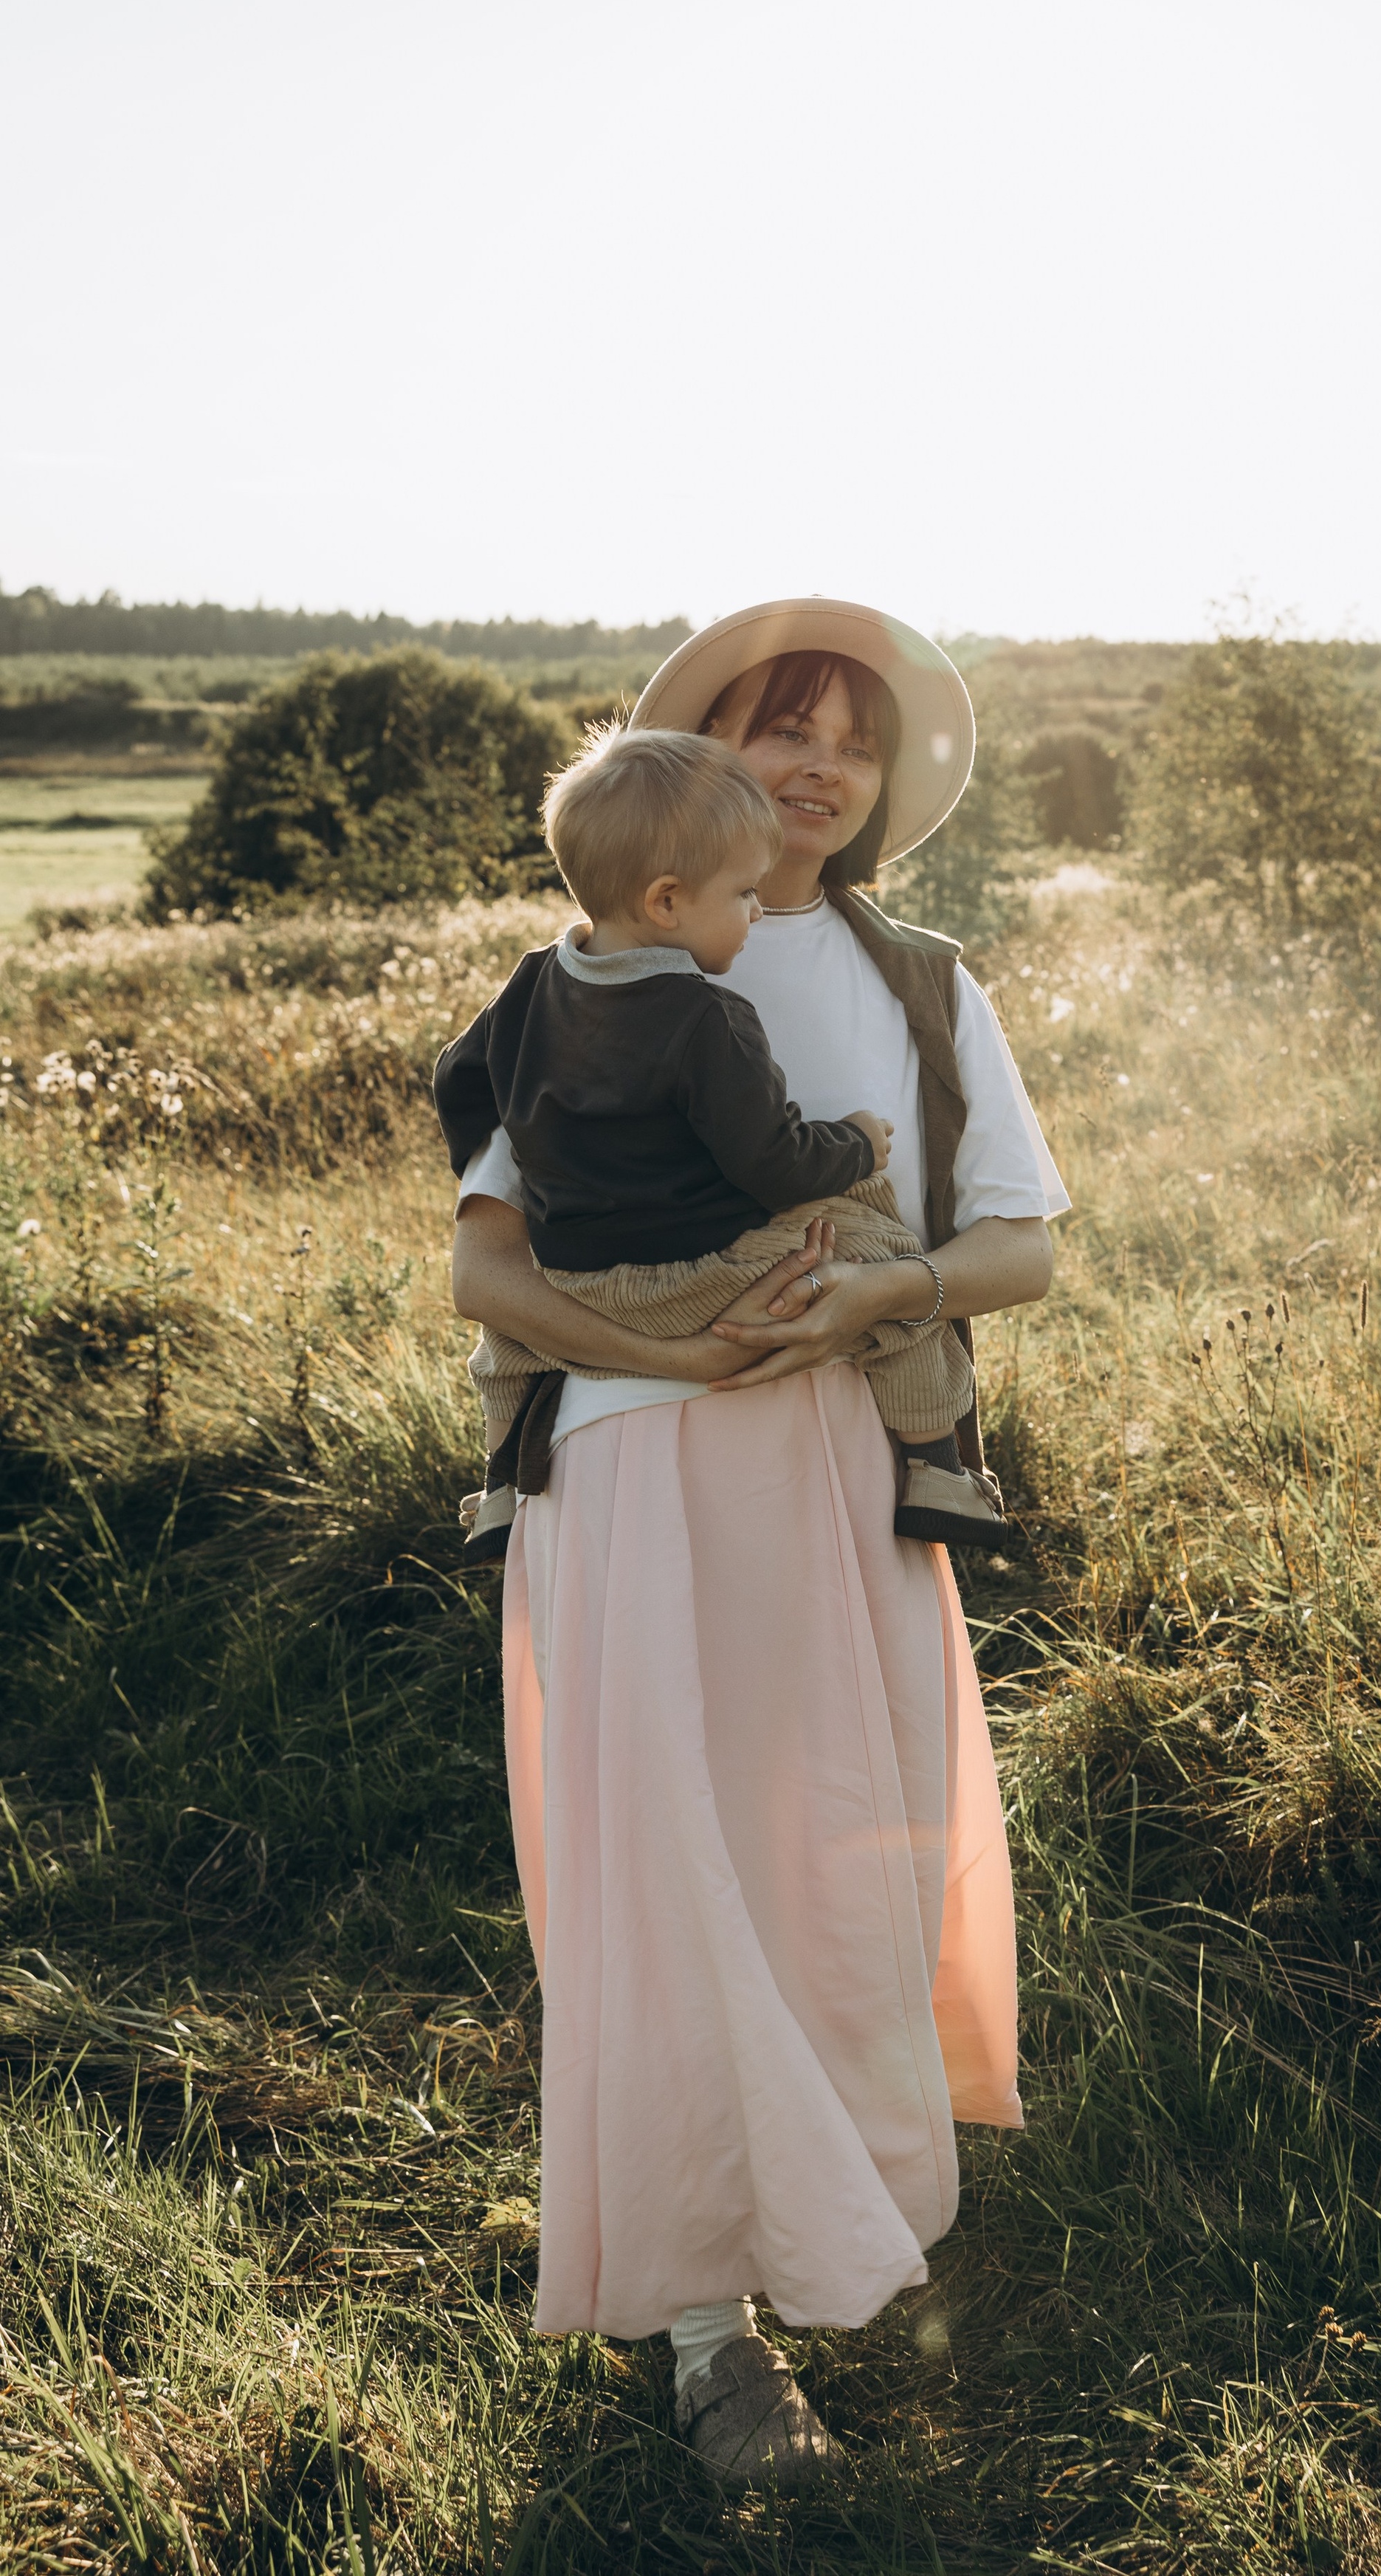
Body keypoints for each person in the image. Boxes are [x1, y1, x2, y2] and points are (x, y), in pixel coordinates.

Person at [449, 597, 1067, 2486]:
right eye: (775, 725)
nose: (813, 765)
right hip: (631, 1473)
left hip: (836, 1462)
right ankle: (712, 2337)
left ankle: (841, 2223)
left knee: (823, 1859)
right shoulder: (571, 978)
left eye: (850, 740)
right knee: (669, 1875)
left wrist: (842, 1316)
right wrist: (658, 1345)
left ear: (887, 782)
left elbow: (1022, 1246)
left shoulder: (926, 985)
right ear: (700, 747)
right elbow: (482, 1265)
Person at [434, 724, 1003, 1554]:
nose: (756, 908)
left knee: (506, 1340)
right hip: (701, 1279)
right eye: (743, 894)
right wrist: (853, 1144)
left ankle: (497, 1484)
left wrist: (537, 1140)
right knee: (882, 1247)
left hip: (574, 1276)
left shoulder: (529, 985)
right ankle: (935, 1463)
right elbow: (770, 1162)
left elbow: (458, 1075)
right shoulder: (707, 1017)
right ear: (667, 901)